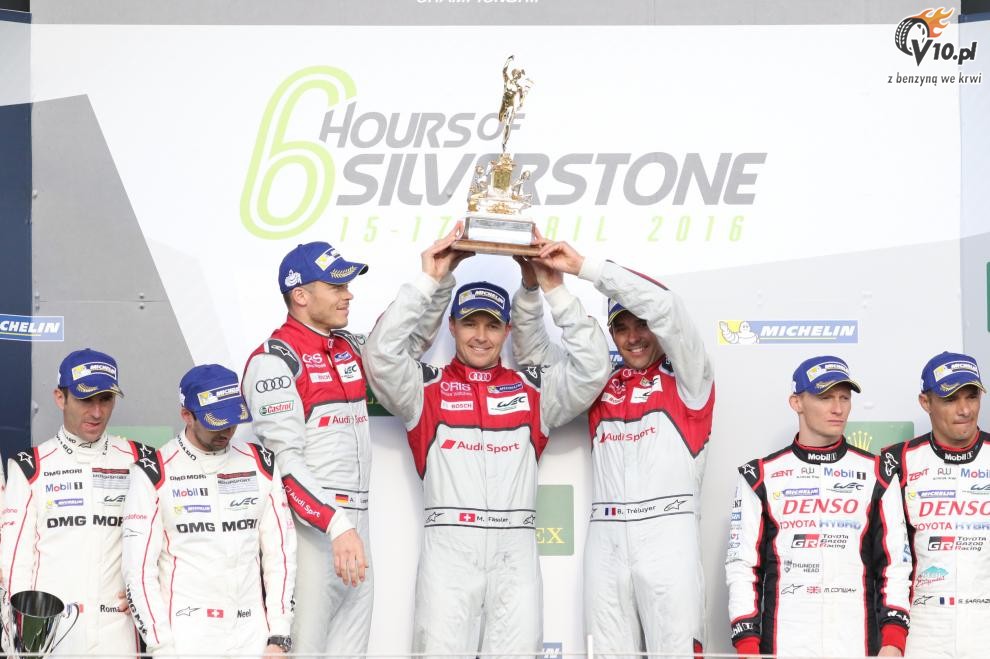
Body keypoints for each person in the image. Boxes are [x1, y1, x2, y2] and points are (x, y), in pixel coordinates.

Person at [363, 224, 610, 658]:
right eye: (470, 323)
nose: (481, 336)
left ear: (507, 330)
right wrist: (431, 280)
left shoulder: (533, 389)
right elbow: (380, 355)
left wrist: (552, 289)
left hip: (515, 553)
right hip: (449, 554)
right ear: (452, 326)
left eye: (492, 325)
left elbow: (592, 369)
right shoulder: (424, 388)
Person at [242, 240, 453, 656]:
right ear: (301, 295)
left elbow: (404, 344)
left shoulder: (349, 348)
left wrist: (436, 279)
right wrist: (336, 526)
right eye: (336, 286)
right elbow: (286, 466)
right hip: (313, 532)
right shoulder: (275, 361)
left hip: (356, 527)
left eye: (348, 285)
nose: (348, 294)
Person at [510, 240, 714, 658]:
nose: (633, 337)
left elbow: (668, 308)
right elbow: (535, 358)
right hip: (606, 537)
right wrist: (536, 288)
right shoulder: (602, 380)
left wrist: (585, 268)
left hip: (668, 537)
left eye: (642, 325)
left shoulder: (690, 378)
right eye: (621, 328)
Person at [726, 356, 911, 657]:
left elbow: (895, 564)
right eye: (825, 397)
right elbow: (742, 567)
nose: (838, 408)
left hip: (856, 645)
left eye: (844, 398)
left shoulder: (878, 473)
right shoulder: (759, 476)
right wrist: (747, 645)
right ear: (796, 402)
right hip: (785, 645)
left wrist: (893, 641)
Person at [122, 364, 296, 658]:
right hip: (187, 637)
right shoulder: (154, 471)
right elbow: (137, 572)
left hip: (252, 635)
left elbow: (281, 553)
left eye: (233, 419)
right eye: (216, 422)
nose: (227, 430)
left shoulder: (261, 463)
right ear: (186, 415)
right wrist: (160, 646)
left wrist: (279, 634)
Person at [0, 348, 143, 655]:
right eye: (85, 399)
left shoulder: (140, 461)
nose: (97, 412)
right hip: (52, 633)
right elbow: (15, 565)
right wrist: (21, 638)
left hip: (117, 633)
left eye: (105, 399)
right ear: (60, 398)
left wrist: (143, 594)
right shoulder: (30, 466)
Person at [881, 351, 989, 659]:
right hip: (922, 627)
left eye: (972, 396)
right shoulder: (896, 461)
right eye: (951, 399)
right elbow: (885, 560)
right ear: (925, 402)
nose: (965, 409)